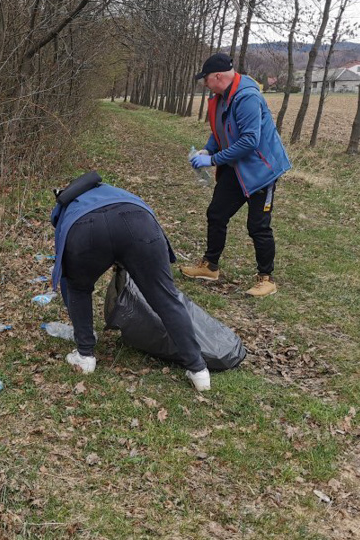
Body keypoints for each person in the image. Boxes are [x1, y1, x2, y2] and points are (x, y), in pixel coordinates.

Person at [50, 171, 210, 391]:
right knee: (165, 297)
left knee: (77, 288)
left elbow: (68, 279)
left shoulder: (65, 207)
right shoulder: (114, 191)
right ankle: (199, 370)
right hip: (137, 221)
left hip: (84, 228)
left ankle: (85, 355)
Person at [182, 52, 292, 297]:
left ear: (218, 76)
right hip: (237, 167)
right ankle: (210, 266)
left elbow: (250, 141)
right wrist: (208, 149)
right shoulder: (222, 97)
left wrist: (212, 160)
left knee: (258, 226)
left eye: (206, 79)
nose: (205, 84)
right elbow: (220, 130)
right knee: (217, 213)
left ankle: (266, 278)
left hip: (261, 170)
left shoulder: (247, 97)